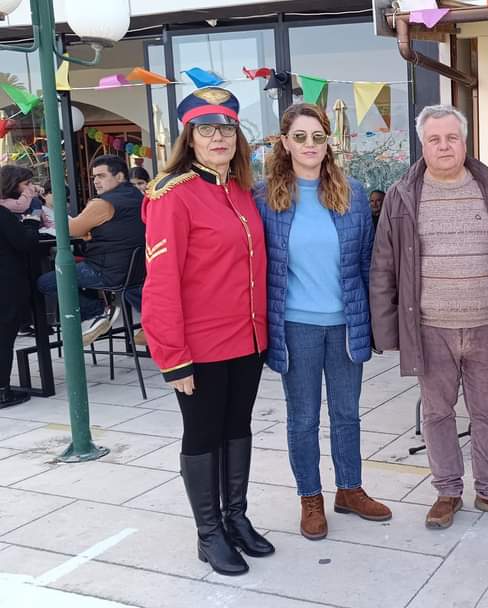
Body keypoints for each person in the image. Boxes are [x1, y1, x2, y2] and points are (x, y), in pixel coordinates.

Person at [370, 104, 488, 529]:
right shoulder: (401, 196)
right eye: (434, 139)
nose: (444, 146)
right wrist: (388, 332)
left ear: (465, 141)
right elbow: (383, 265)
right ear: (423, 145)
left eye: (451, 138)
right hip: (430, 328)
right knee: (437, 414)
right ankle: (447, 491)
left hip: (487, 325)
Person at [141, 87, 274, 576]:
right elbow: (161, 283)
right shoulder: (172, 195)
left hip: (247, 339)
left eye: (227, 128)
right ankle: (209, 533)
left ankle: (235, 518)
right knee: (202, 434)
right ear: (190, 137)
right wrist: (172, 356)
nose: (218, 137)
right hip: (199, 346)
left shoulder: (240, 190)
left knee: (237, 428)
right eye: (206, 129)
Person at [254, 103, 390, 540]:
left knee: (347, 414)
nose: (309, 145)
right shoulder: (265, 197)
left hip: (345, 323)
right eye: (300, 137)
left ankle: (349, 489)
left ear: (328, 141)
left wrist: (374, 322)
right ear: (285, 142)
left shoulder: (352, 193)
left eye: (317, 137)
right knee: (303, 418)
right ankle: (310, 497)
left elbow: (367, 262)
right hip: (296, 327)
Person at [37, 154, 145, 345]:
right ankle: (151, 323)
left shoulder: (103, 203)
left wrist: (87, 233)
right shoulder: (140, 197)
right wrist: (88, 232)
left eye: (101, 176)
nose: (96, 181)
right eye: (94, 177)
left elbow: (71, 230)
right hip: (138, 270)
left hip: (107, 270)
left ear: (120, 176)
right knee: (126, 287)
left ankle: (97, 312)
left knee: (46, 282)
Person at [0, 189, 41, 408]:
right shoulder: (2, 214)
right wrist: (32, 222)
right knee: (4, 335)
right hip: (6, 282)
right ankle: (2, 391)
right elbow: (24, 242)